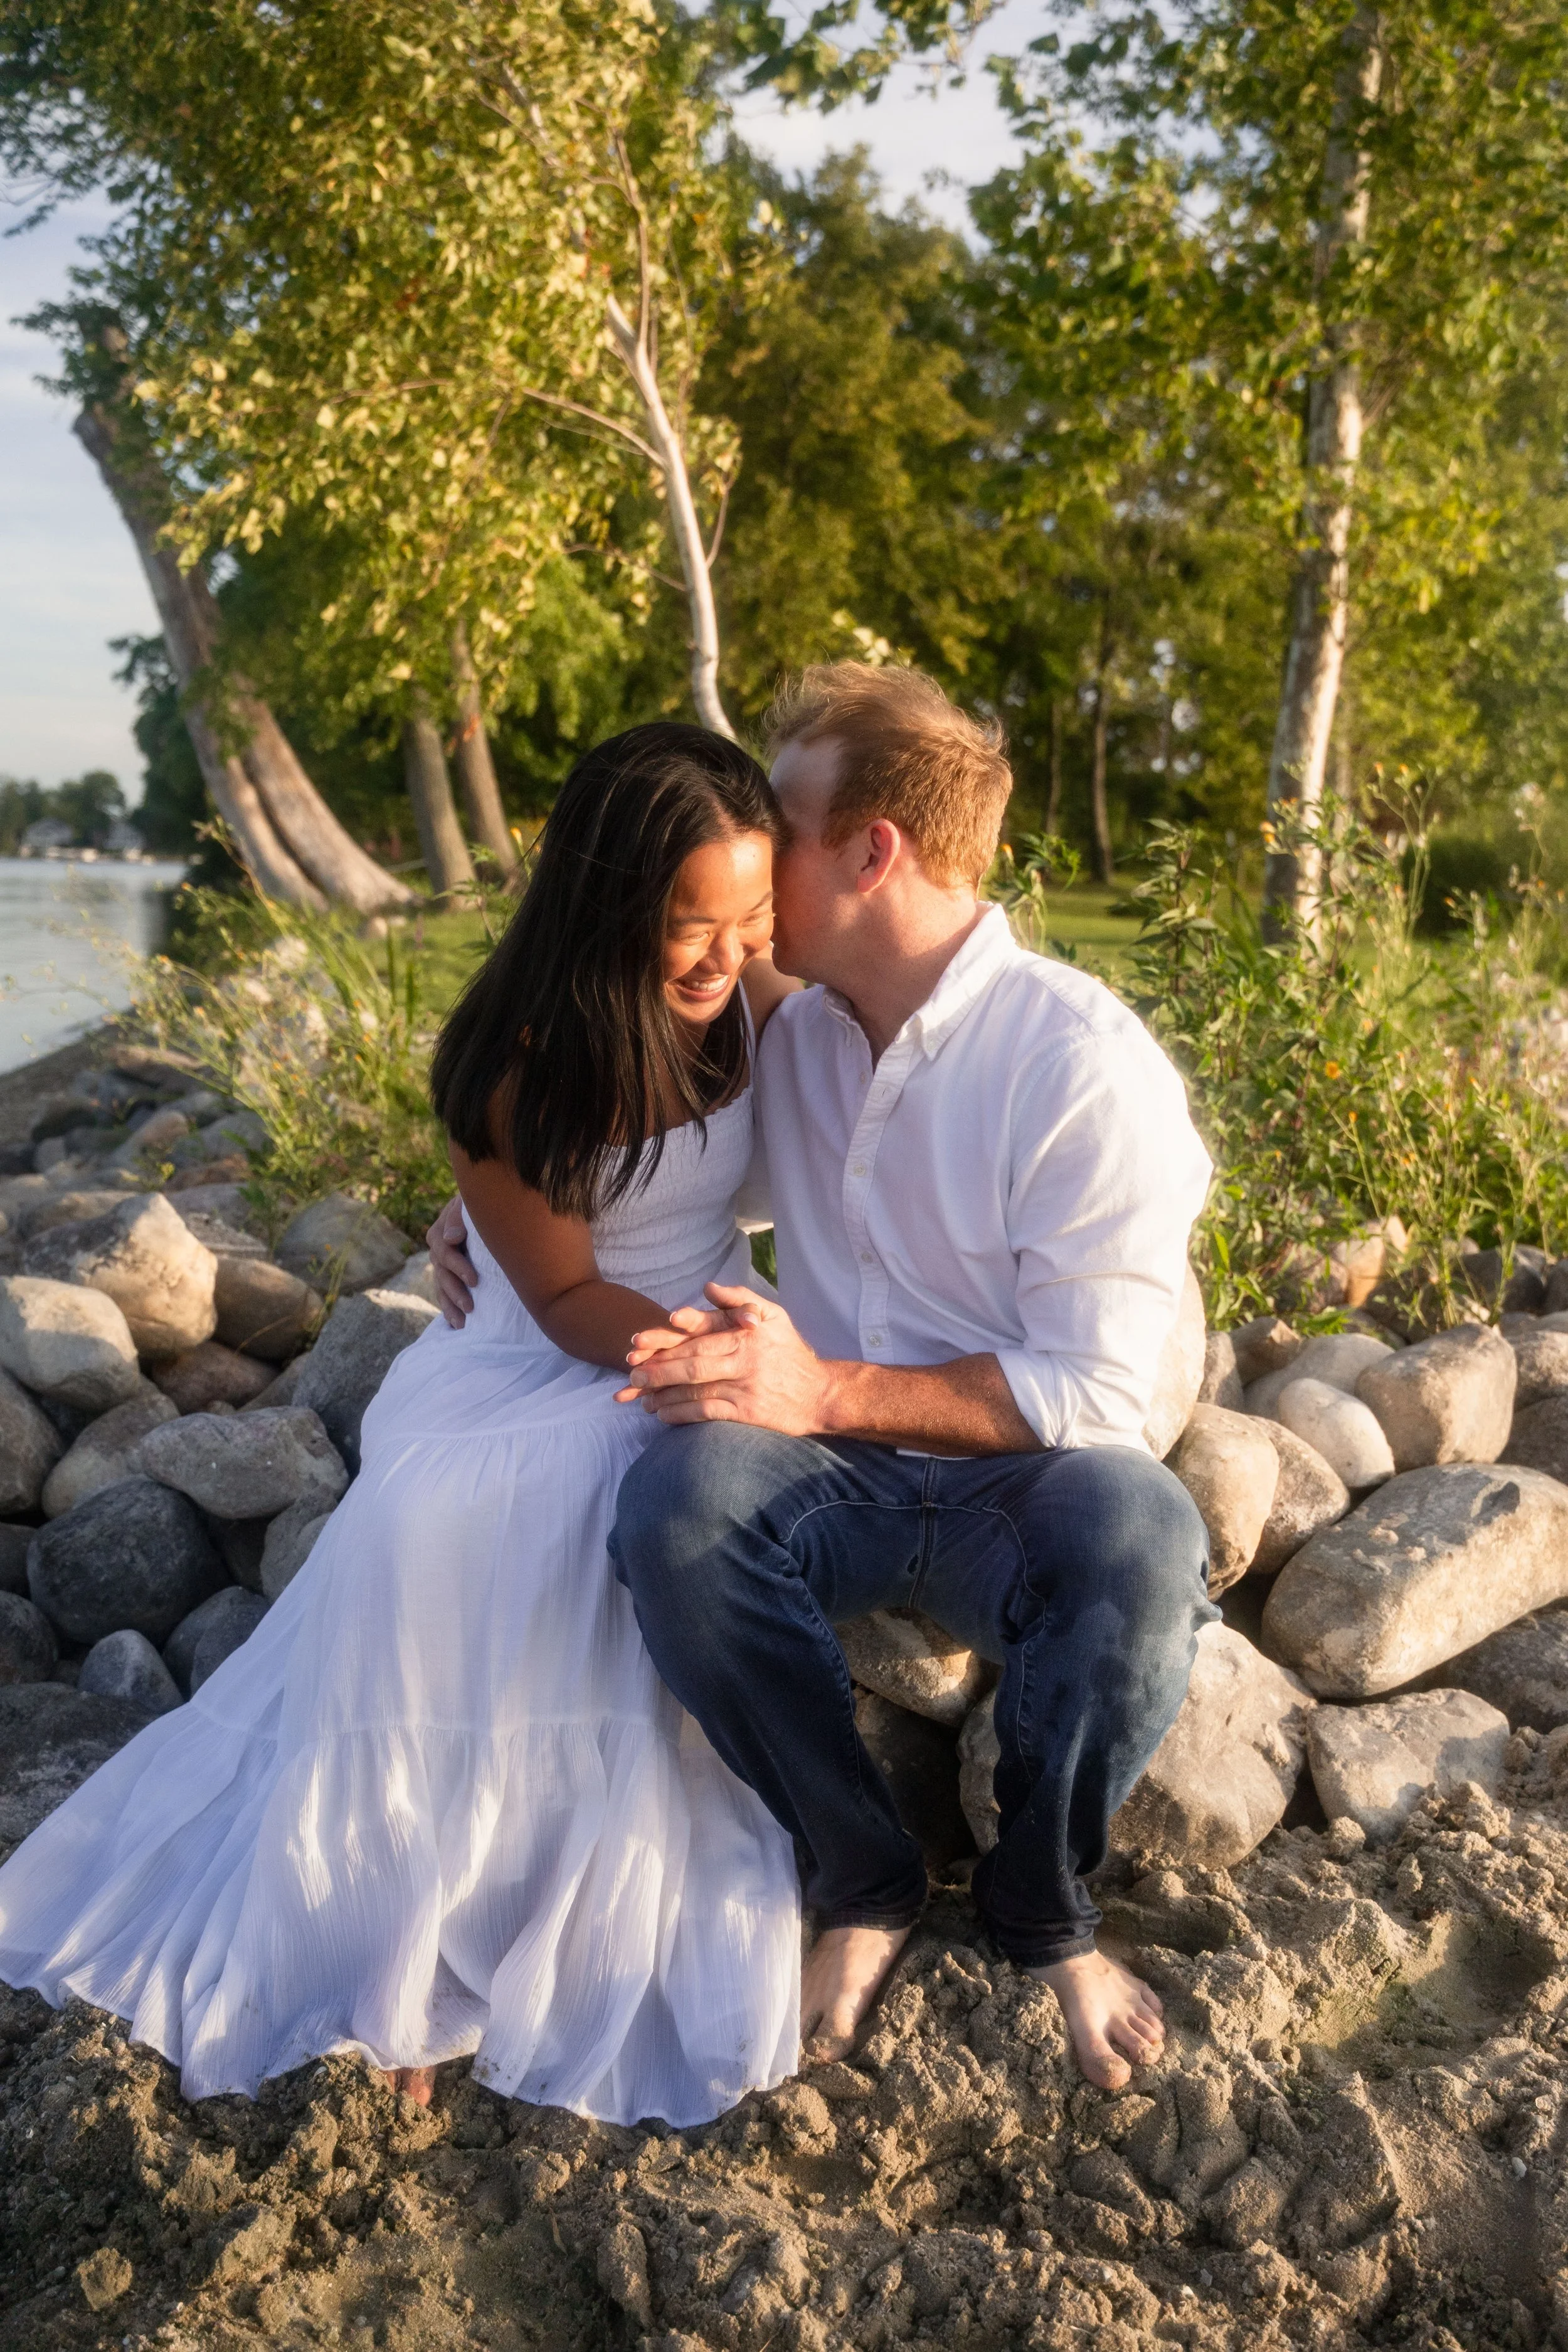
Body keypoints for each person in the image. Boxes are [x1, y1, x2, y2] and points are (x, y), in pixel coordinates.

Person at [0, 723, 803, 2128]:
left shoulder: (749, 999)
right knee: (483, 1517)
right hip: (546, 1352)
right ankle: (398, 1939)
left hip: (679, 1320)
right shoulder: (516, 1062)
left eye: (752, 921)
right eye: (693, 929)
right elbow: (558, 1294)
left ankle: (539, 1884)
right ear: (606, 900)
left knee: (668, 1486)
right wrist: (695, 1357)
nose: (728, 960)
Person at [431, 663, 1216, 2094]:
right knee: (677, 1506)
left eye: (778, 816)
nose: (743, 837)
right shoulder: (781, 1032)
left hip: (1016, 1479)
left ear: (869, 850)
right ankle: (863, 1877)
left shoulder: (1080, 1065)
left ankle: (1043, 1910)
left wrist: (825, 1394)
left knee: (1146, 1539)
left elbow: (1098, 1395)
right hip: (829, 1476)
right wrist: (486, 1209)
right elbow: (622, 1157)